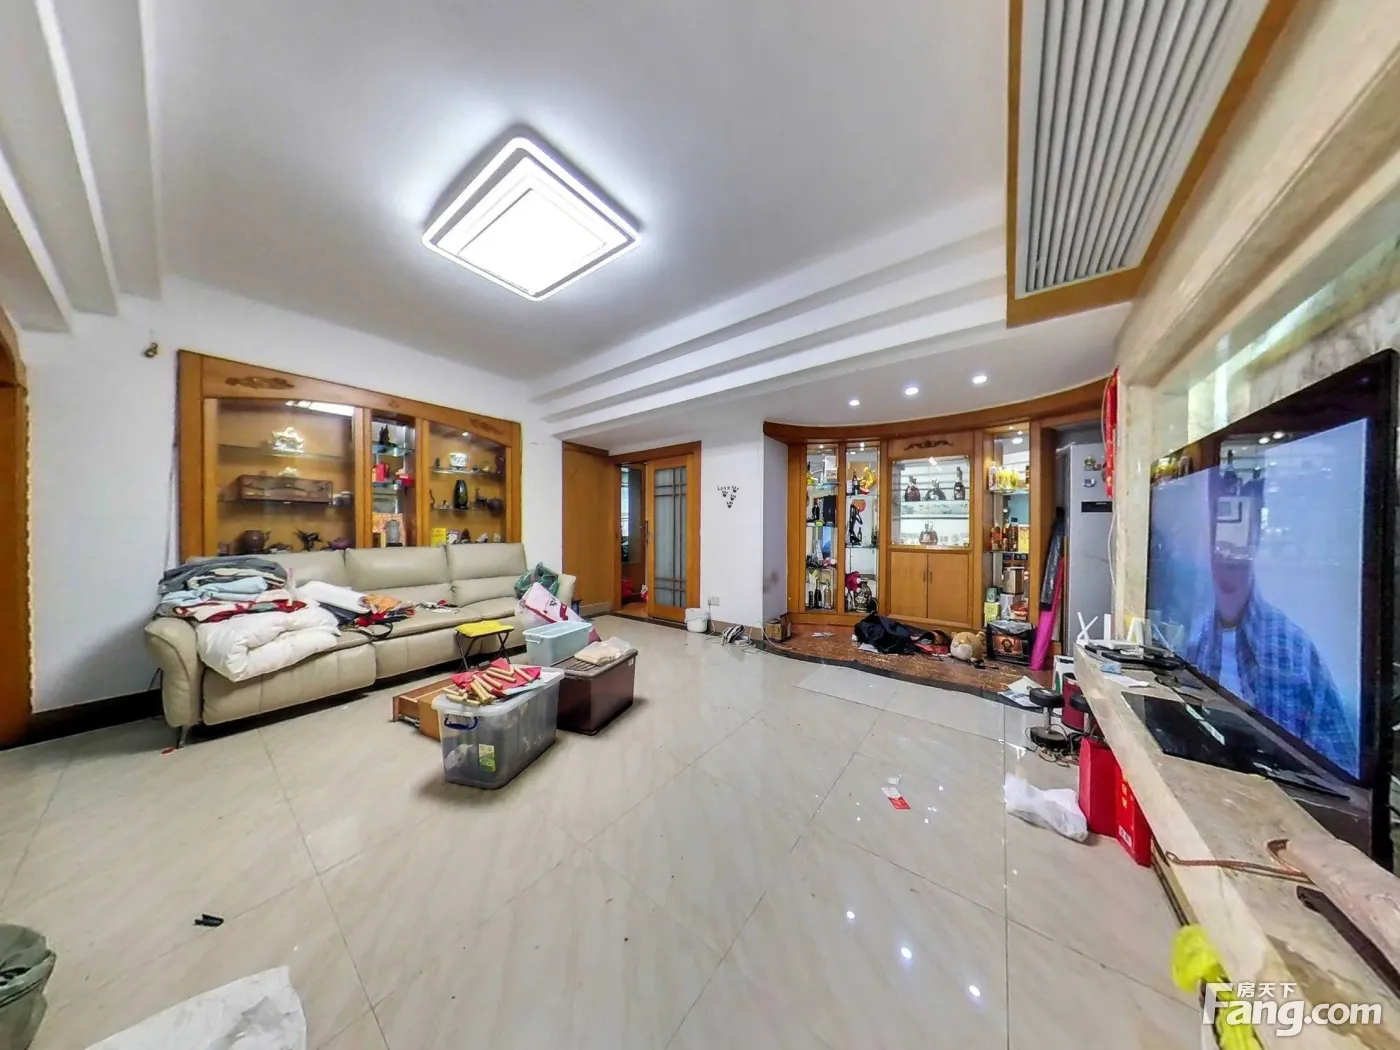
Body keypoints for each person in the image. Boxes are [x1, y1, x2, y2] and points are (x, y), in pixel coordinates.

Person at [1182, 478, 1356, 774]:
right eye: (1219, 529)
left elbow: (1343, 774)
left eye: (1239, 530)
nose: (1228, 547)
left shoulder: (1294, 649)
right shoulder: (1195, 639)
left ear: (1256, 539)